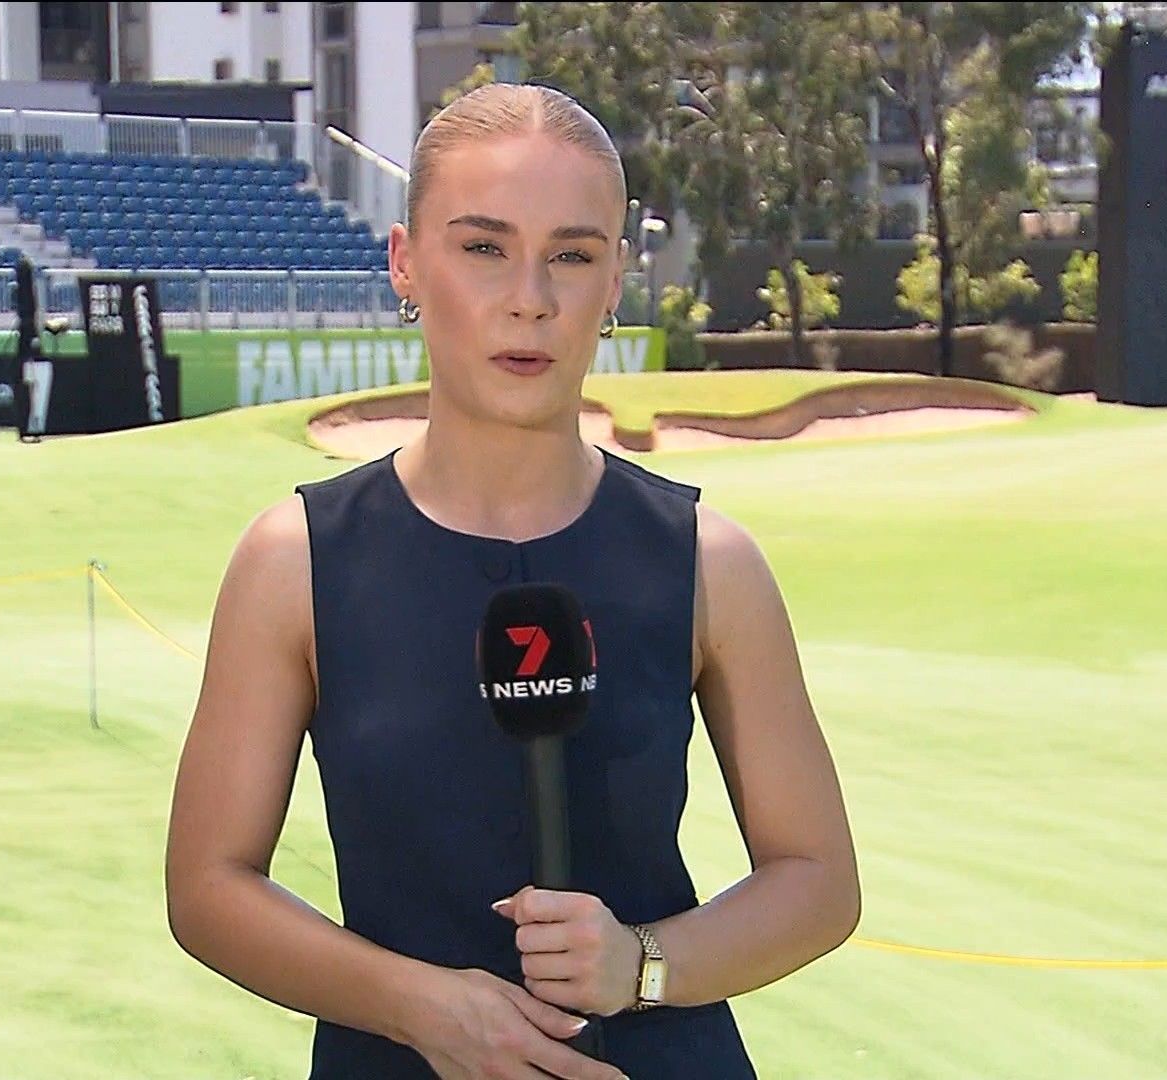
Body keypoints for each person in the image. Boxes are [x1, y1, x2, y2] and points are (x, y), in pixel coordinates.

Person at [166, 83, 861, 1080]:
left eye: (571, 255)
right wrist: (420, 1009)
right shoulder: (296, 561)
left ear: (615, 279)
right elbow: (208, 887)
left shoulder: (709, 561)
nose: (530, 296)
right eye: (484, 247)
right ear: (406, 262)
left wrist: (643, 964)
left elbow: (819, 881)